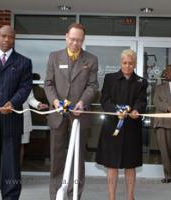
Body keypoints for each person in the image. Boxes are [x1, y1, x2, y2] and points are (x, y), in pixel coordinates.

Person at [44, 23, 98, 200]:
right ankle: (55, 195)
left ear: (83, 40)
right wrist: (54, 102)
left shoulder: (91, 60)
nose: (75, 43)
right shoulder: (54, 57)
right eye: (72, 39)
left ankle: (74, 195)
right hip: (57, 115)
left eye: (79, 40)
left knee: (77, 158)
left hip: (79, 115)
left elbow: (92, 85)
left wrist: (82, 102)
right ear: (66, 36)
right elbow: (48, 84)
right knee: (57, 157)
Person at [96, 49, 147, 200]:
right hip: (112, 127)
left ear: (135, 64)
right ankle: (111, 197)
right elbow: (104, 100)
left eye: (131, 63)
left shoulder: (141, 82)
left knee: (130, 165)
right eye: (124, 63)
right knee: (111, 164)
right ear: (120, 63)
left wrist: (136, 110)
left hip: (132, 128)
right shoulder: (110, 78)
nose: (127, 66)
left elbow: (142, 101)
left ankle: (130, 197)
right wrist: (115, 111)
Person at [0, 25, 32, 200]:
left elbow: (25, 88)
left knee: (11, 165)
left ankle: (10, 197)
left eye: (10, 37)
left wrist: (12, 102)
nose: (6, 40)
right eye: (3, 36)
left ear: (14, 38)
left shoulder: (24, 62)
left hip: (12, 122)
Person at [153, 64, 171, 183]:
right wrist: (168, 108)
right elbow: (156, 101)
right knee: (164, 150)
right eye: (166, 71)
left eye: (170, 71)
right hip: (163, 122)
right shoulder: (159, 87)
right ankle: (168, 175)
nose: (166, 73)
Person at [21, 90, 48, 164]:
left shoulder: (25, 78)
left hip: (23, 116)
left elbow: (30, 98)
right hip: (3, 115)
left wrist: (38, 104)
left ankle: (16, 173)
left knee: (20, 146)